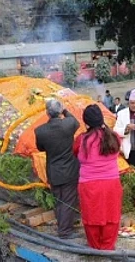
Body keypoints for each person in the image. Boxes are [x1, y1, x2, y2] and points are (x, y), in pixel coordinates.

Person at [75, 105, 122, 250]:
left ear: (86, 123)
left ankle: (96, 247)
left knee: (91, 216)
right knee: (111, 215)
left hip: (89, 185)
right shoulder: (114, 137)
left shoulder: (81, 140)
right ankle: (108, 247)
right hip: (112, 183)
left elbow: (74, 152)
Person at [35, 99, 81, 239]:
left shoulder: (40, 130)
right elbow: (76, 121)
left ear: (47, 113)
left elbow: (40, 148)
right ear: (60, 111)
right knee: (68, 201)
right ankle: (65, 231)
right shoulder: (68, 124)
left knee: (58, 200)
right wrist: (65, 110)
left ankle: (63, 227)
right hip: (69, 170)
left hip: (53, 170)